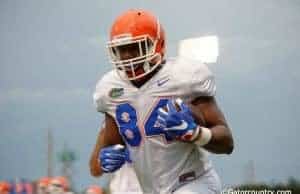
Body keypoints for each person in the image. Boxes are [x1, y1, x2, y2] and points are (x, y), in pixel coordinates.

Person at [90, 9, 234, 194]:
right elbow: (111, 146)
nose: (127, 56)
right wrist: (107, 157)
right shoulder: (110, 89)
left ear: (157, 45)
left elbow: (227, 142)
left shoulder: (185, 77)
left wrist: (196, 133)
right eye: (121, 49)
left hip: (194, 182)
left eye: (135, 47)